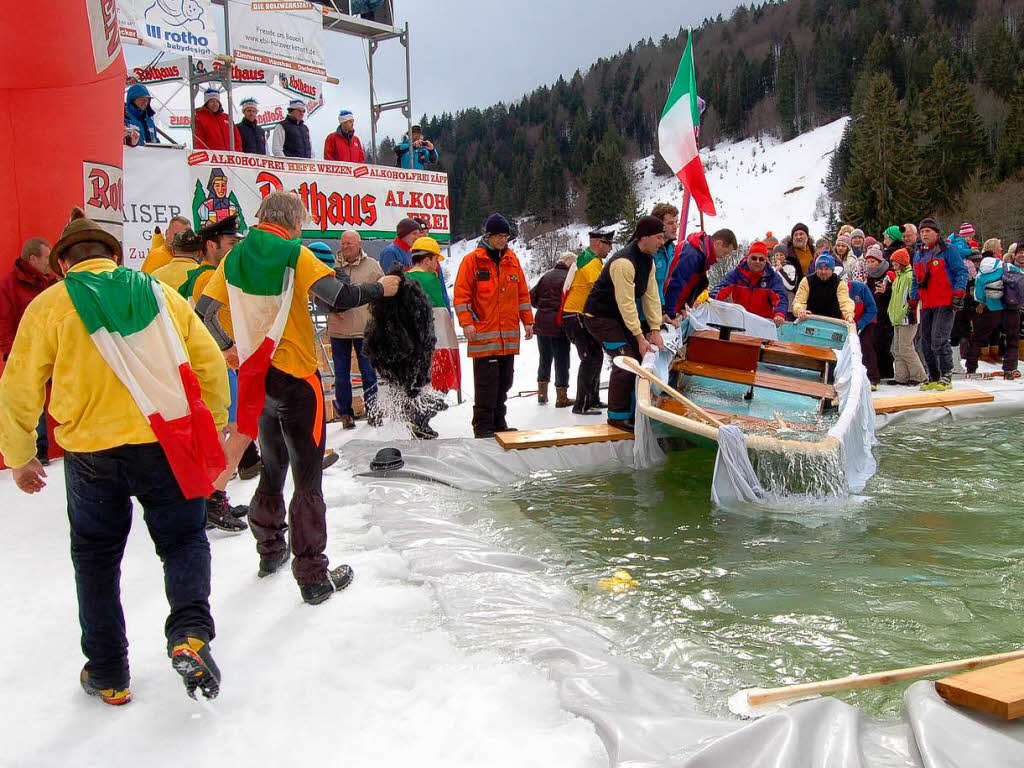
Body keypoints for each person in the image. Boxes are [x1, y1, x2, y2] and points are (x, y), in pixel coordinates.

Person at [0, 209, 230, 704]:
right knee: (184, 540)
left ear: (63, 264)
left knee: (97, 559)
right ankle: (189, 634)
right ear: (114, 256)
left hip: (90, 454)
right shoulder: (157, 293)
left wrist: (20, 454)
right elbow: (208, 360)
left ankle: (108, 673)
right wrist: (210, 423)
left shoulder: (49, 306)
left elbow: (17, 387)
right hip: (164, 443)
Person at [197, 192, 400, 604]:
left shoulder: (233, 258)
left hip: (260, 379)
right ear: (292, 223)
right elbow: (338, 297)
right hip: (297, 376)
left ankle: (270, 550)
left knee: (273, 467)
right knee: (307, 480)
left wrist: (227, 346)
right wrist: (381, 287)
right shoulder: (294, 252)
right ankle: (312, 576)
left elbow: (202, 310)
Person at [453, 213, 534, 439]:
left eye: (506, 236)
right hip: (484, 336)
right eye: (499, 236)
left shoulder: (512, 260)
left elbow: (522, 294)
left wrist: (527, 320)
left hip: (507, 337)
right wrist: (467, 323)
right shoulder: (472, 261)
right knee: (486, 385)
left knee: (504, 382)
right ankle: (483, 426)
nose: (503, 240)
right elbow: (461, 296)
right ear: (488, 236)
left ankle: (499, 422)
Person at [583, 215, 666, 432]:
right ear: (644, 237)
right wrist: (639, 337)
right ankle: (617, 418)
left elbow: (651, 296)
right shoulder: (623, 262)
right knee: (626, 362)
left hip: (617, 317)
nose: (661, 242)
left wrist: (655, 329)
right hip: (599, 317)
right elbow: (626, 303)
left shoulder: (648, 261)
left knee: (640, 359)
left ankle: (636, 411)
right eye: (658, 237)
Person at [0, 238, 56, 464]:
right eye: (46, 257)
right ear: (32, 258)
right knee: (31, 403)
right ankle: (36, 451)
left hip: (54, 349)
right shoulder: (9, 285)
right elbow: (3, 320)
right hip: (25, 353)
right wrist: (9, 352)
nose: (49, 262)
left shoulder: (50, 281)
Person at [325, 232, 382, 429]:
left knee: (368, 373)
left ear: (359, 244)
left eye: (349, 243)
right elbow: (321, 294)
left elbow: (383, 293)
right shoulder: (332, 267)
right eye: (342, 243)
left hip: (364, 329)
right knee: (341, 375)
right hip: (338, 330)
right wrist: (333, 309)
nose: (345, 246)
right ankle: (346, 415)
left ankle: (373, 411)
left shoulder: (373, 266)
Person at [404, 236, 458, 436]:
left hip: (412, 344)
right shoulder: (430, 279)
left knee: (422, 383)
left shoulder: (404, 279)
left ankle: (417, 419)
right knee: (440, 382)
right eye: (436, 260)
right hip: (434, 342)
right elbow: (440, 313)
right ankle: (420, 420)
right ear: (427, 260)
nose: (437, 265)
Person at [909, 217, 968, 391]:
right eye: (922, 232)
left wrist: (959, 292)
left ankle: (946, 375)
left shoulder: (948, 250)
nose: (924, 234)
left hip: (945, 301)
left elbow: (961, 272)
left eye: (928, 231)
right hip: (926, 303)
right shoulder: (918, 253)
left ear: (936, 233)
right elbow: (915, 278)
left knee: (939, 339)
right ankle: (933, 376)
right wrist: (913, 299)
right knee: (924, 342)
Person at [562, 226, 615, 415]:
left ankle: (592, 399)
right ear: (598, 243)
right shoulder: (591, 263)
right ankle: (582, 404)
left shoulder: (588, 259)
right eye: (608, 245)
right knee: (589, 358)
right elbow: (600, 290)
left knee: (595, 357)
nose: (610, 250)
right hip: (576, 316)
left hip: (577, 315)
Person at [530, 252, 575, 408]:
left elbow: (532, 297)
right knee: (562, 360)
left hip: (541, 323)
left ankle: (542, 394)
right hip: (558, 324)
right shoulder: (568, 278)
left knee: (545, 358)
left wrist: (543, 308)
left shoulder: (546, 276)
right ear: (570, 264)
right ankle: (561, 398)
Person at [970, 247, 1022, 380]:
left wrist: (984, 302)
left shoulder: (981, 273)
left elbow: (978, 295)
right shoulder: (1006, 266)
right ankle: (1009, 369)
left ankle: (971, 367)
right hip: (1010, 308)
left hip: (991, 310)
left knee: (978, 338)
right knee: (1012, 339)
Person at [709, 241, 788, 325]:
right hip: (738, 323)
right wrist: (708, 300)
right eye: (754, 258)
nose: (757, 261)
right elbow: (721, 289)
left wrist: (779, 313)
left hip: (762, 324)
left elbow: (781, 297)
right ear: (747, 258)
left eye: (761, 259)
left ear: (766, 260)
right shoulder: (736, 274)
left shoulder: (773, 278)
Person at [664, 228, 738, 318]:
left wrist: (681, 307)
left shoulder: (701, 256)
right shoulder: (693, 254)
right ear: (719, 243)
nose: (723, 257)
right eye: (725, 253)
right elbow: (675, 284)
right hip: (665, 309)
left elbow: (687, 286)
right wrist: (670, 313)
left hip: (673, 308)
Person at [886, 248, 927, 386]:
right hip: (897, 317)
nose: (893, 266)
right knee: (897, 349)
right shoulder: (898, 277)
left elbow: (914, 297)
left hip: (908, 317)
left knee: (905, 347)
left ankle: (919, 375)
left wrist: (907, 310)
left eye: (896, 263)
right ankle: (901, 376)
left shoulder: (910, 277)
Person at [792, 254, 855, 322]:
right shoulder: (806, 281)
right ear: (816, 269)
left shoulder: (840, 283)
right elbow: (799, 301)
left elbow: (845, 302)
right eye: (820, 268)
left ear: (832, 270)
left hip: (833, 321)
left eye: (826, 269)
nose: (823, 272)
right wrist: (800, 310)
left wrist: (849, 315)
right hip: (810, 320)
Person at [863, 247, 895, 381]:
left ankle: (887, 371)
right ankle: (879, 371)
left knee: (884, 343)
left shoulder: (888, 275)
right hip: (874, 313)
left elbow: (895, 290)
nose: (870, 264)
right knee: (874, 342)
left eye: (873, 261)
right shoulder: (869, 277)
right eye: (868, 261)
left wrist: (887, 290)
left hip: (886, 312)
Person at [849, 276, 880, 387]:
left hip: (866, 320)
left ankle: (872, 378)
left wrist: (859, 325)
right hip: (847, 323)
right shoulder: (833, 290)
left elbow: (872, 309)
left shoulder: (860, 288)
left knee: (865, 344)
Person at [194, 88, 242, 152]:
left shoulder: (227, 117)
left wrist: (238, 153)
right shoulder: (199, 118)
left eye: (217, 101)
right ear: (206, 103)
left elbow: (236, 138)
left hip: (230, 157)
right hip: (212, 158)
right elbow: (199, 141)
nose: (215, 104)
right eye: (212, 101)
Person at [649, 202, 679, 306]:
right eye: (670, 223)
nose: (675, 226)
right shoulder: (648, 250)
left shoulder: (671, 250)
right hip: (641, 313)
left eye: (676, 222)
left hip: (659, 308)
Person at [773, 243, 798, 317]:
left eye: (781, 255)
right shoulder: (771, 269)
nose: (779, 257)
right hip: (774, 304)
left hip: (788, 305)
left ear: (785, 256)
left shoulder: (791, 268)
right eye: (777, 255)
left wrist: (781, 270)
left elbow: (790, 286)